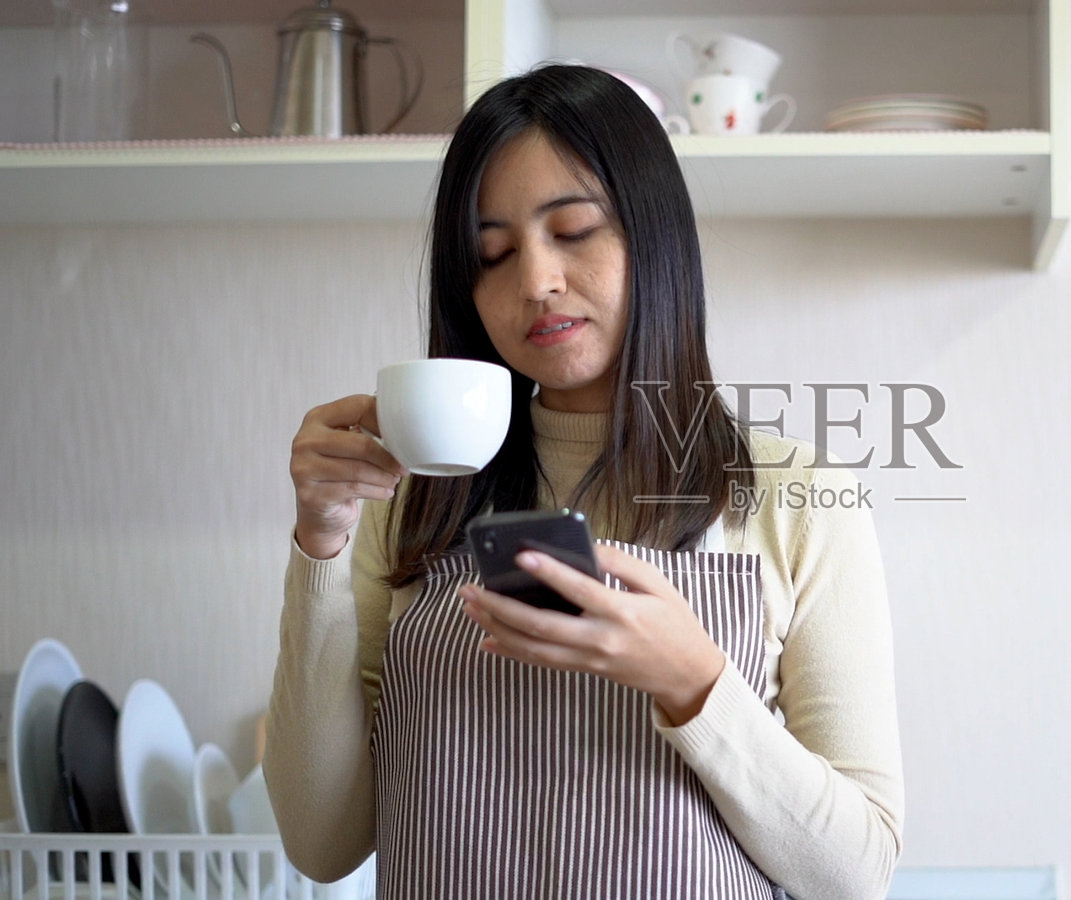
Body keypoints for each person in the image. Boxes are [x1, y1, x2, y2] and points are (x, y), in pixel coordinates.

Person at [264, 64, 904, 899]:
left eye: (572, 230)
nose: (534, 282)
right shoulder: (408, 501)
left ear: (654, 234)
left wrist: (695, 684)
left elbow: (858, 874)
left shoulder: (795, 503)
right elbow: (322, 843)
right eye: (492, 254)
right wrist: (320, 541)